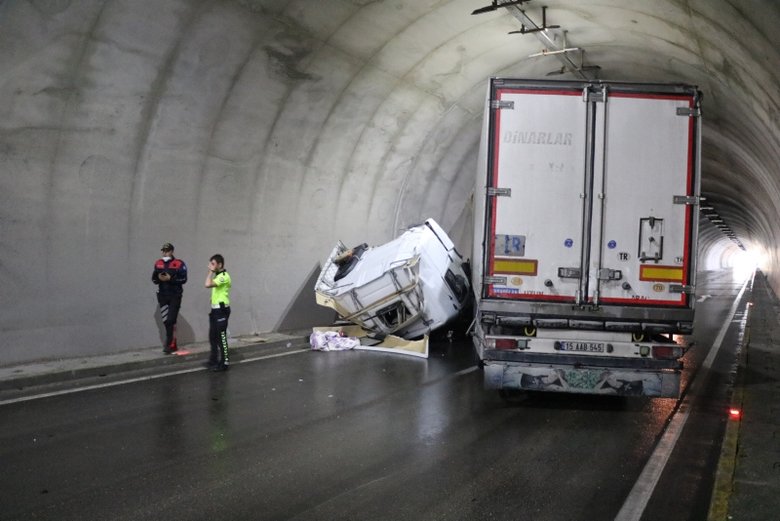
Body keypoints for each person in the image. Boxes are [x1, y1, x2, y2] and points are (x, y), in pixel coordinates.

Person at [152, 243, 188, 353]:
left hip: (175, 296)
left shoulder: (179, 263)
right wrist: (159, 278)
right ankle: (172, 344)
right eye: (163, 251)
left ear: (172, 251)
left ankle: (169, 343)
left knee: (171, 320)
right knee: (166, 322)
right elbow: (153, 279)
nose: (164, 253)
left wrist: (170, 278)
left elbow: (184, 279)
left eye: (167, 251)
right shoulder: (158, 263)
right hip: (162, 296)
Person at [205, 254, 232, 371]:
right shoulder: (218, 276)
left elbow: (207, 284)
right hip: (215, 310)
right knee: (212, 337)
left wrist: (210, 271)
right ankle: (213, 360)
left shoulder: (224, 276)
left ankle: (224, 363)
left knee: (221, 337)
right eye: (210, 263)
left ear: (220, 265)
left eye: (213, 263)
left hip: (221, 310)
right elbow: (217, 290)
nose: (211, 266)